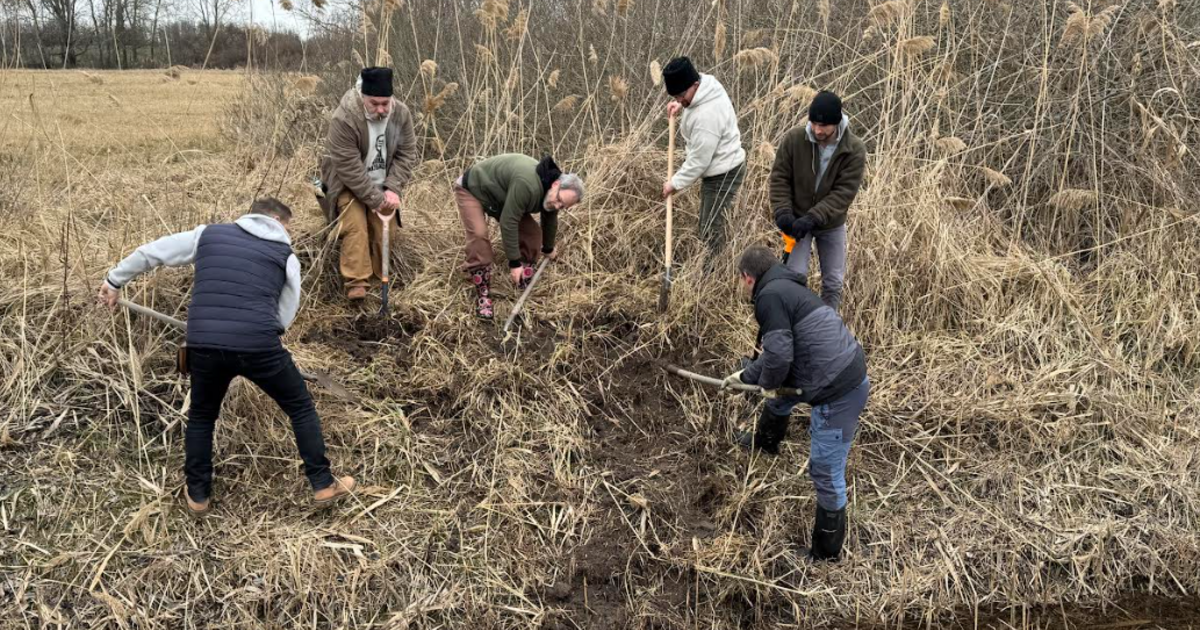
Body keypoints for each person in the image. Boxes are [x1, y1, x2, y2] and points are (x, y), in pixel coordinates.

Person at [96, 198, 357, 517]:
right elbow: (285, 313)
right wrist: (264, 334)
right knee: (300, 407)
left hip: (203, 343)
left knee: (203, 416)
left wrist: (113, 281)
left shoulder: (209, 234)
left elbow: (153, 252)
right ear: (276, 219)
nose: (287, 233)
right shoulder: (286, 255)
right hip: (258, 344)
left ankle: (198, 496)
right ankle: (322, 484)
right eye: (287, 226)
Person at [723, 246, 870, 562]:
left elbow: (778, 359)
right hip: (834, 370)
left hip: (839, 389)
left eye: (738, 280)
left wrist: (757, 382)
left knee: (825, 471)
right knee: (779, 396)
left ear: (748, 278)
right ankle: (766, 444)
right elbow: (779, 353)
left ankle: (825, 553)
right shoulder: (785, 287)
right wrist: (746, 374)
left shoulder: (768, 298)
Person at [320, 66, 419, 302]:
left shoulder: (401, 114)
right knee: (355, 225)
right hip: (346, 183)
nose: (381, 109)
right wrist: (373, 199)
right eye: (374, 104)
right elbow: (347, 166)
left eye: (385, 103)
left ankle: (378, 276)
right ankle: (357, 282)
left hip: (382, 182)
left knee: (387, 228)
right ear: (362, 96)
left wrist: (392, 188)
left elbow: (407, 153)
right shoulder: (345, 117)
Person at [453, 153, 584, 319]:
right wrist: (514, 262)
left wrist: (548, 248)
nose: (557, 205)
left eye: (562, 206)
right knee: (479, 235)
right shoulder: (529, 185)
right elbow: (509, 222)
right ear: (556, 184)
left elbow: (550, 219)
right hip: (473, 188)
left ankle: (523, 276)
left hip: (501, 196)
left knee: (533, 235)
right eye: (558, 199)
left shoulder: (550, 189)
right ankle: (483, 294)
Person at [769, 90, 866, 311]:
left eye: (824, 126)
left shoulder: (854, 149)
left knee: (833, 282)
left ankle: (827, 328)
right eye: (813, 123)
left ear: (837, 123)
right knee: (795, 277)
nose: (817, 130)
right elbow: (779, 178)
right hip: (796, 220)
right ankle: (794, 324)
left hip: (831, 223)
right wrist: (783, 212)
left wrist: (814, 217)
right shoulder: (794, 139)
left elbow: (844, 193)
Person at [660, 56, 747, 257]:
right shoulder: (707, 85)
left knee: (710, 228)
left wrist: (674, 183)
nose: (679, 100)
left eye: (681, 96)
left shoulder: (707, 116)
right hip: (719, 166)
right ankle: (711, 266)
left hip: (723, 173)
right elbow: (693, 99)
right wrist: (681, 105)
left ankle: (712, 274)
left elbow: (699, 161)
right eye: (675, 97)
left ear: (695, 84)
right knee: (709, 223)